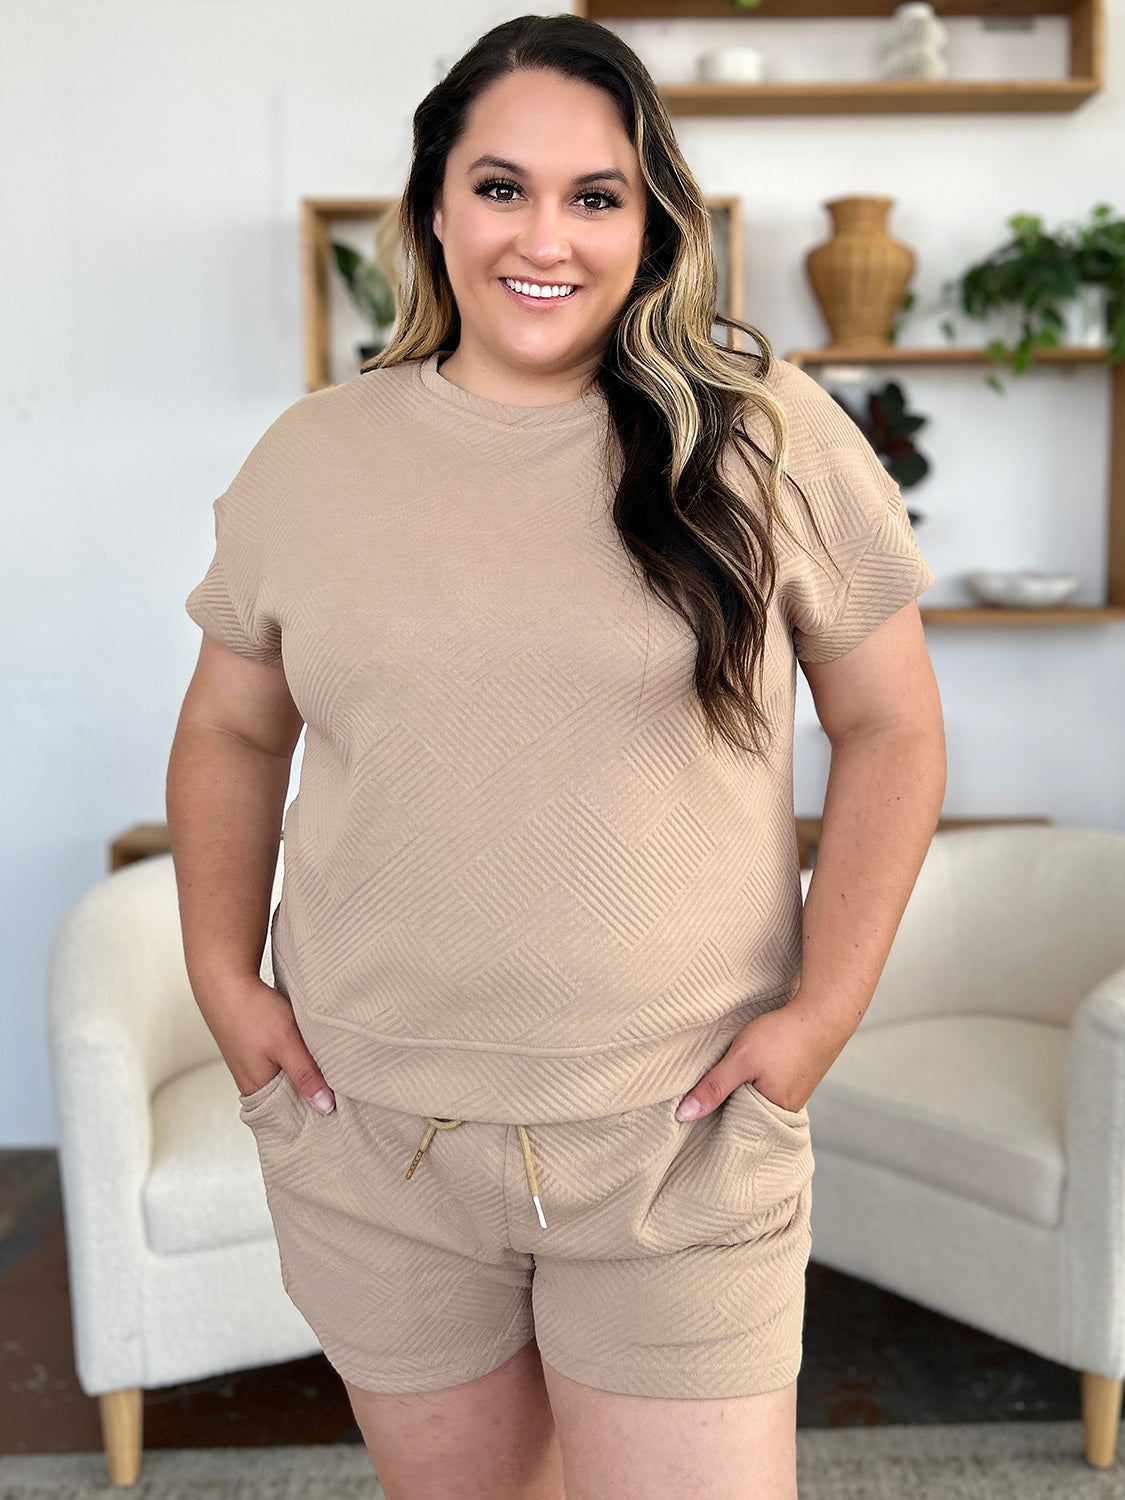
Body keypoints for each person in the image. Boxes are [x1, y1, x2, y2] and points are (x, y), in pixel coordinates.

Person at [166, 13, 946, 1500]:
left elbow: (891, 726)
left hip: (680, 1135)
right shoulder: (312, 458)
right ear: (435, 207)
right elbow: (231, 724)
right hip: (372, 1129)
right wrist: (221, 971)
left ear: (651, 220)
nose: (548, 236)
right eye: (500, 185)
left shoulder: (765, 433)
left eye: (596, 195)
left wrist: (821, 1017)